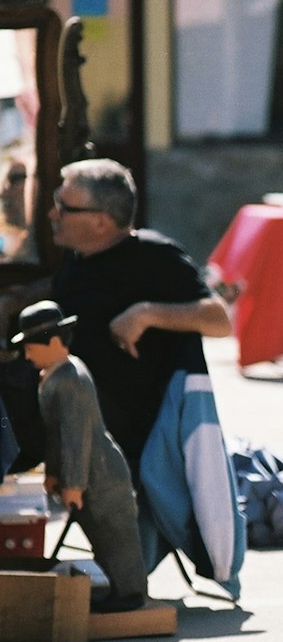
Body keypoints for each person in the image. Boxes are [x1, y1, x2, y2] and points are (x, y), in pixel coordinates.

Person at [42, 158, 232, 478]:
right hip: (72, 419)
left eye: (64, 207)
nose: (52, 214)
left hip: (129, 443)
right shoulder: (78, 259)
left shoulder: (154, 255)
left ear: (101, 222)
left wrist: (147, 313)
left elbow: (219, 320)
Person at [12, 300, 148, 612]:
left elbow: (76, 436)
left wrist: (73, 483)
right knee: (102, 538)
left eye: (31, 346)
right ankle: (121, 590)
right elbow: (56, 435)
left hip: (100, 477)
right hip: (87, 475)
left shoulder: (71, 379)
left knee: (115, 538)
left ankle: (129, 593)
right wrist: (54, 473)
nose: (27, 354)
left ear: (55, 342)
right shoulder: (55, 376)